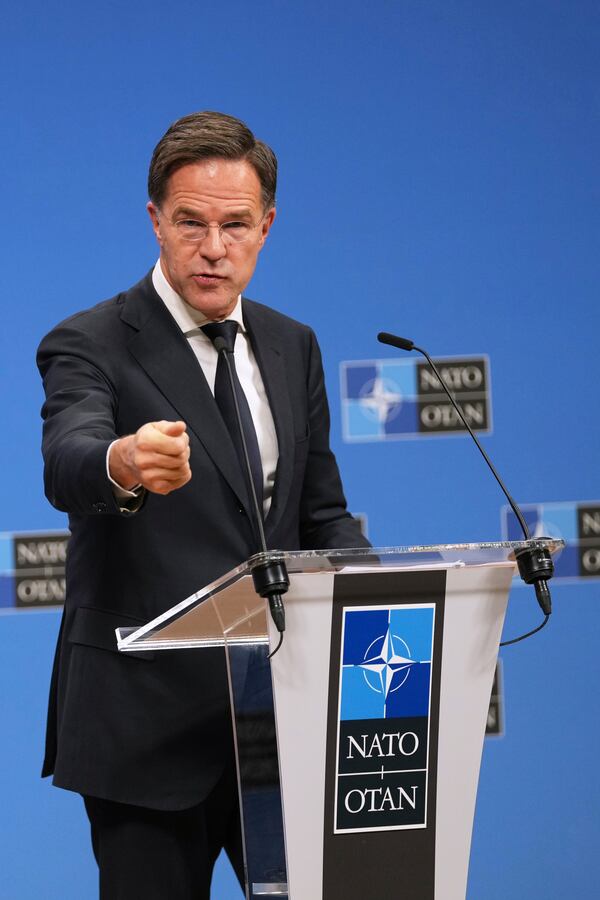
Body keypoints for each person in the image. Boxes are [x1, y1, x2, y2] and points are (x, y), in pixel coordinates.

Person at [37, 110, 369, 899]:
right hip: (143, 731)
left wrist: (383, 597)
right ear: (155, 220)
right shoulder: (90, 342)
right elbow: (69, 459)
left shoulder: (294, 346)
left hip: (279, 721)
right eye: (190, 222)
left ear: (267, 226)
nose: (213, 247)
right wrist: (121, 461)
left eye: (235, 225)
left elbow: (320, 512)